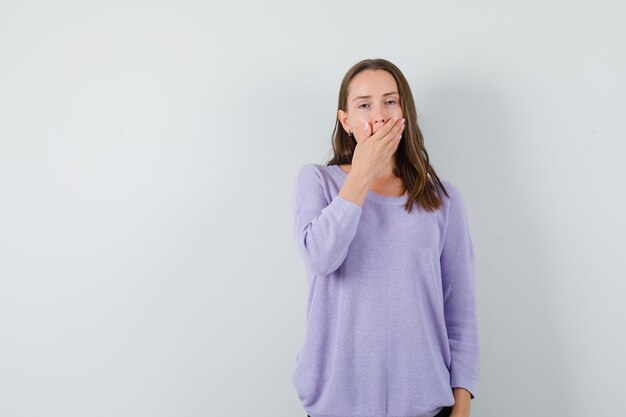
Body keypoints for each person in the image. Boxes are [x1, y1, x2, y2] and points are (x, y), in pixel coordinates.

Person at [291, 58, 479, 417]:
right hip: (336, 405)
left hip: (425, 404)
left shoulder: (443, 199)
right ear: (346, 120)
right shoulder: (317, 182)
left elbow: (461, 308)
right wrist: (361, 173)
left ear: (404, 112)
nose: (378, 115)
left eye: (390, 101)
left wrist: (463, 402)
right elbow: (319, 258)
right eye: (364, 105)